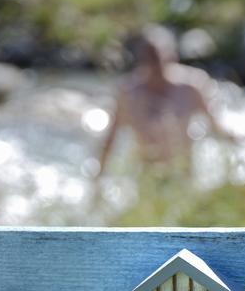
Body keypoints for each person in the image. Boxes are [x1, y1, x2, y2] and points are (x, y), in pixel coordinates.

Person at [94, 25, 236, 183]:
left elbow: (216, 128)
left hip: (183, 176)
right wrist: (98, 178)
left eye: (157, 59)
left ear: (171, 57)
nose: (154, 66)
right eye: (148, 59)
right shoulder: (129, 93)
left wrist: (239, 148)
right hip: (147, 178)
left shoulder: (192, 86)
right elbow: (111, 138)